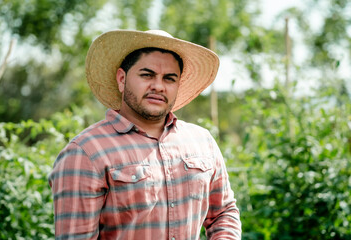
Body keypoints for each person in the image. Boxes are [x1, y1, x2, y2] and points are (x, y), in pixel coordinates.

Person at [49, 29, 241, 240]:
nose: (158, 86)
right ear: (121, 79)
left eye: (169, 78)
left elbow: (223, 212)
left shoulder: (201, 141)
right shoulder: (85, 153)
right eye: (147, 75)